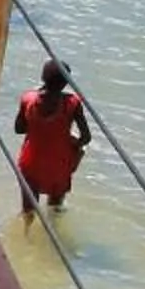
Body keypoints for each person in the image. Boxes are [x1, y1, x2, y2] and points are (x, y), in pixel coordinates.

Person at [13, 58, 91, 211]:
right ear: (66, 83)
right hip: (59, 164)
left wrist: (40, 128)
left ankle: (27, 232)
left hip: (31, 163)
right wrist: (73, 141)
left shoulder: (28, 99)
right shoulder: (73, 103)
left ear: (43, 78)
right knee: (55, 210)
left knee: (28, 211)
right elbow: (86, 137)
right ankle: (52, 233)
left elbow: (19, 129)